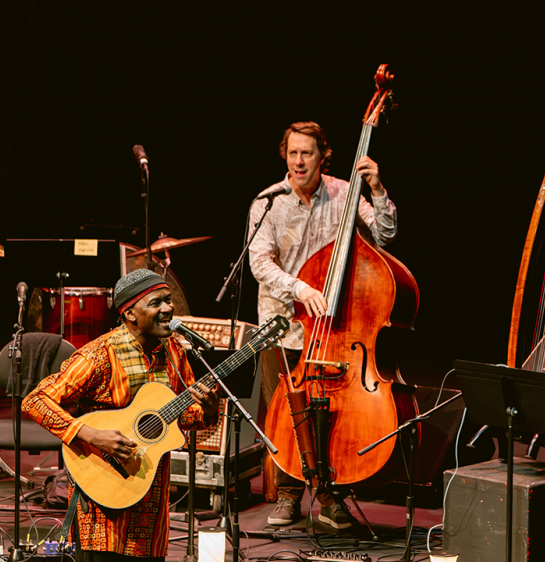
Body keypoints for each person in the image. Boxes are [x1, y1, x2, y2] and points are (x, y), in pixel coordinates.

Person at [248, 121, 397, 529]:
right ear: (285, 154)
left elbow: (385, 236)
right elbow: (259, 262)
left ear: (322, 157)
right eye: (293, 153)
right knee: (286, 413)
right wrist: (299, 288)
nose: (299, 161)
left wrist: (378, 190)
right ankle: (289, 496)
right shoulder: (267, 202)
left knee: (335, 416)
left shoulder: (346, 194)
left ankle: (332, 498)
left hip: (335, 330)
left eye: (307, 153)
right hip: (283, 325)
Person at [22, 268, 220, 561]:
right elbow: (35, 400)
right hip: (101, 488)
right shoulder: (99, 355)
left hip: (150, 493)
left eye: (168, 300)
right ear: (129, 313)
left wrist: (209, 410)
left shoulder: (175, 352)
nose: (168, 308)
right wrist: (92, 435)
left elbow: (180, 419)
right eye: (156, 303)